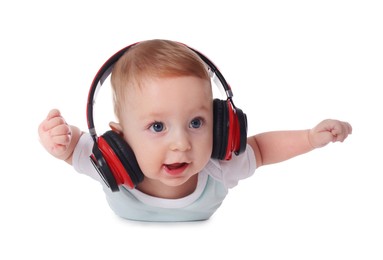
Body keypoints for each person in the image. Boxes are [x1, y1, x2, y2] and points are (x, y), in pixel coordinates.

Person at [38, 39, 352, 222]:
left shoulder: (219, 168)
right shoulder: (112, 168)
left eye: (196, 123)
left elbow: (262, 149)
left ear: (221, 125)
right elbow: (74, 146)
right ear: (119, 141)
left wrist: (310, 138)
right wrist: (58, 141)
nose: (181, 143)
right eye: (157, 126)